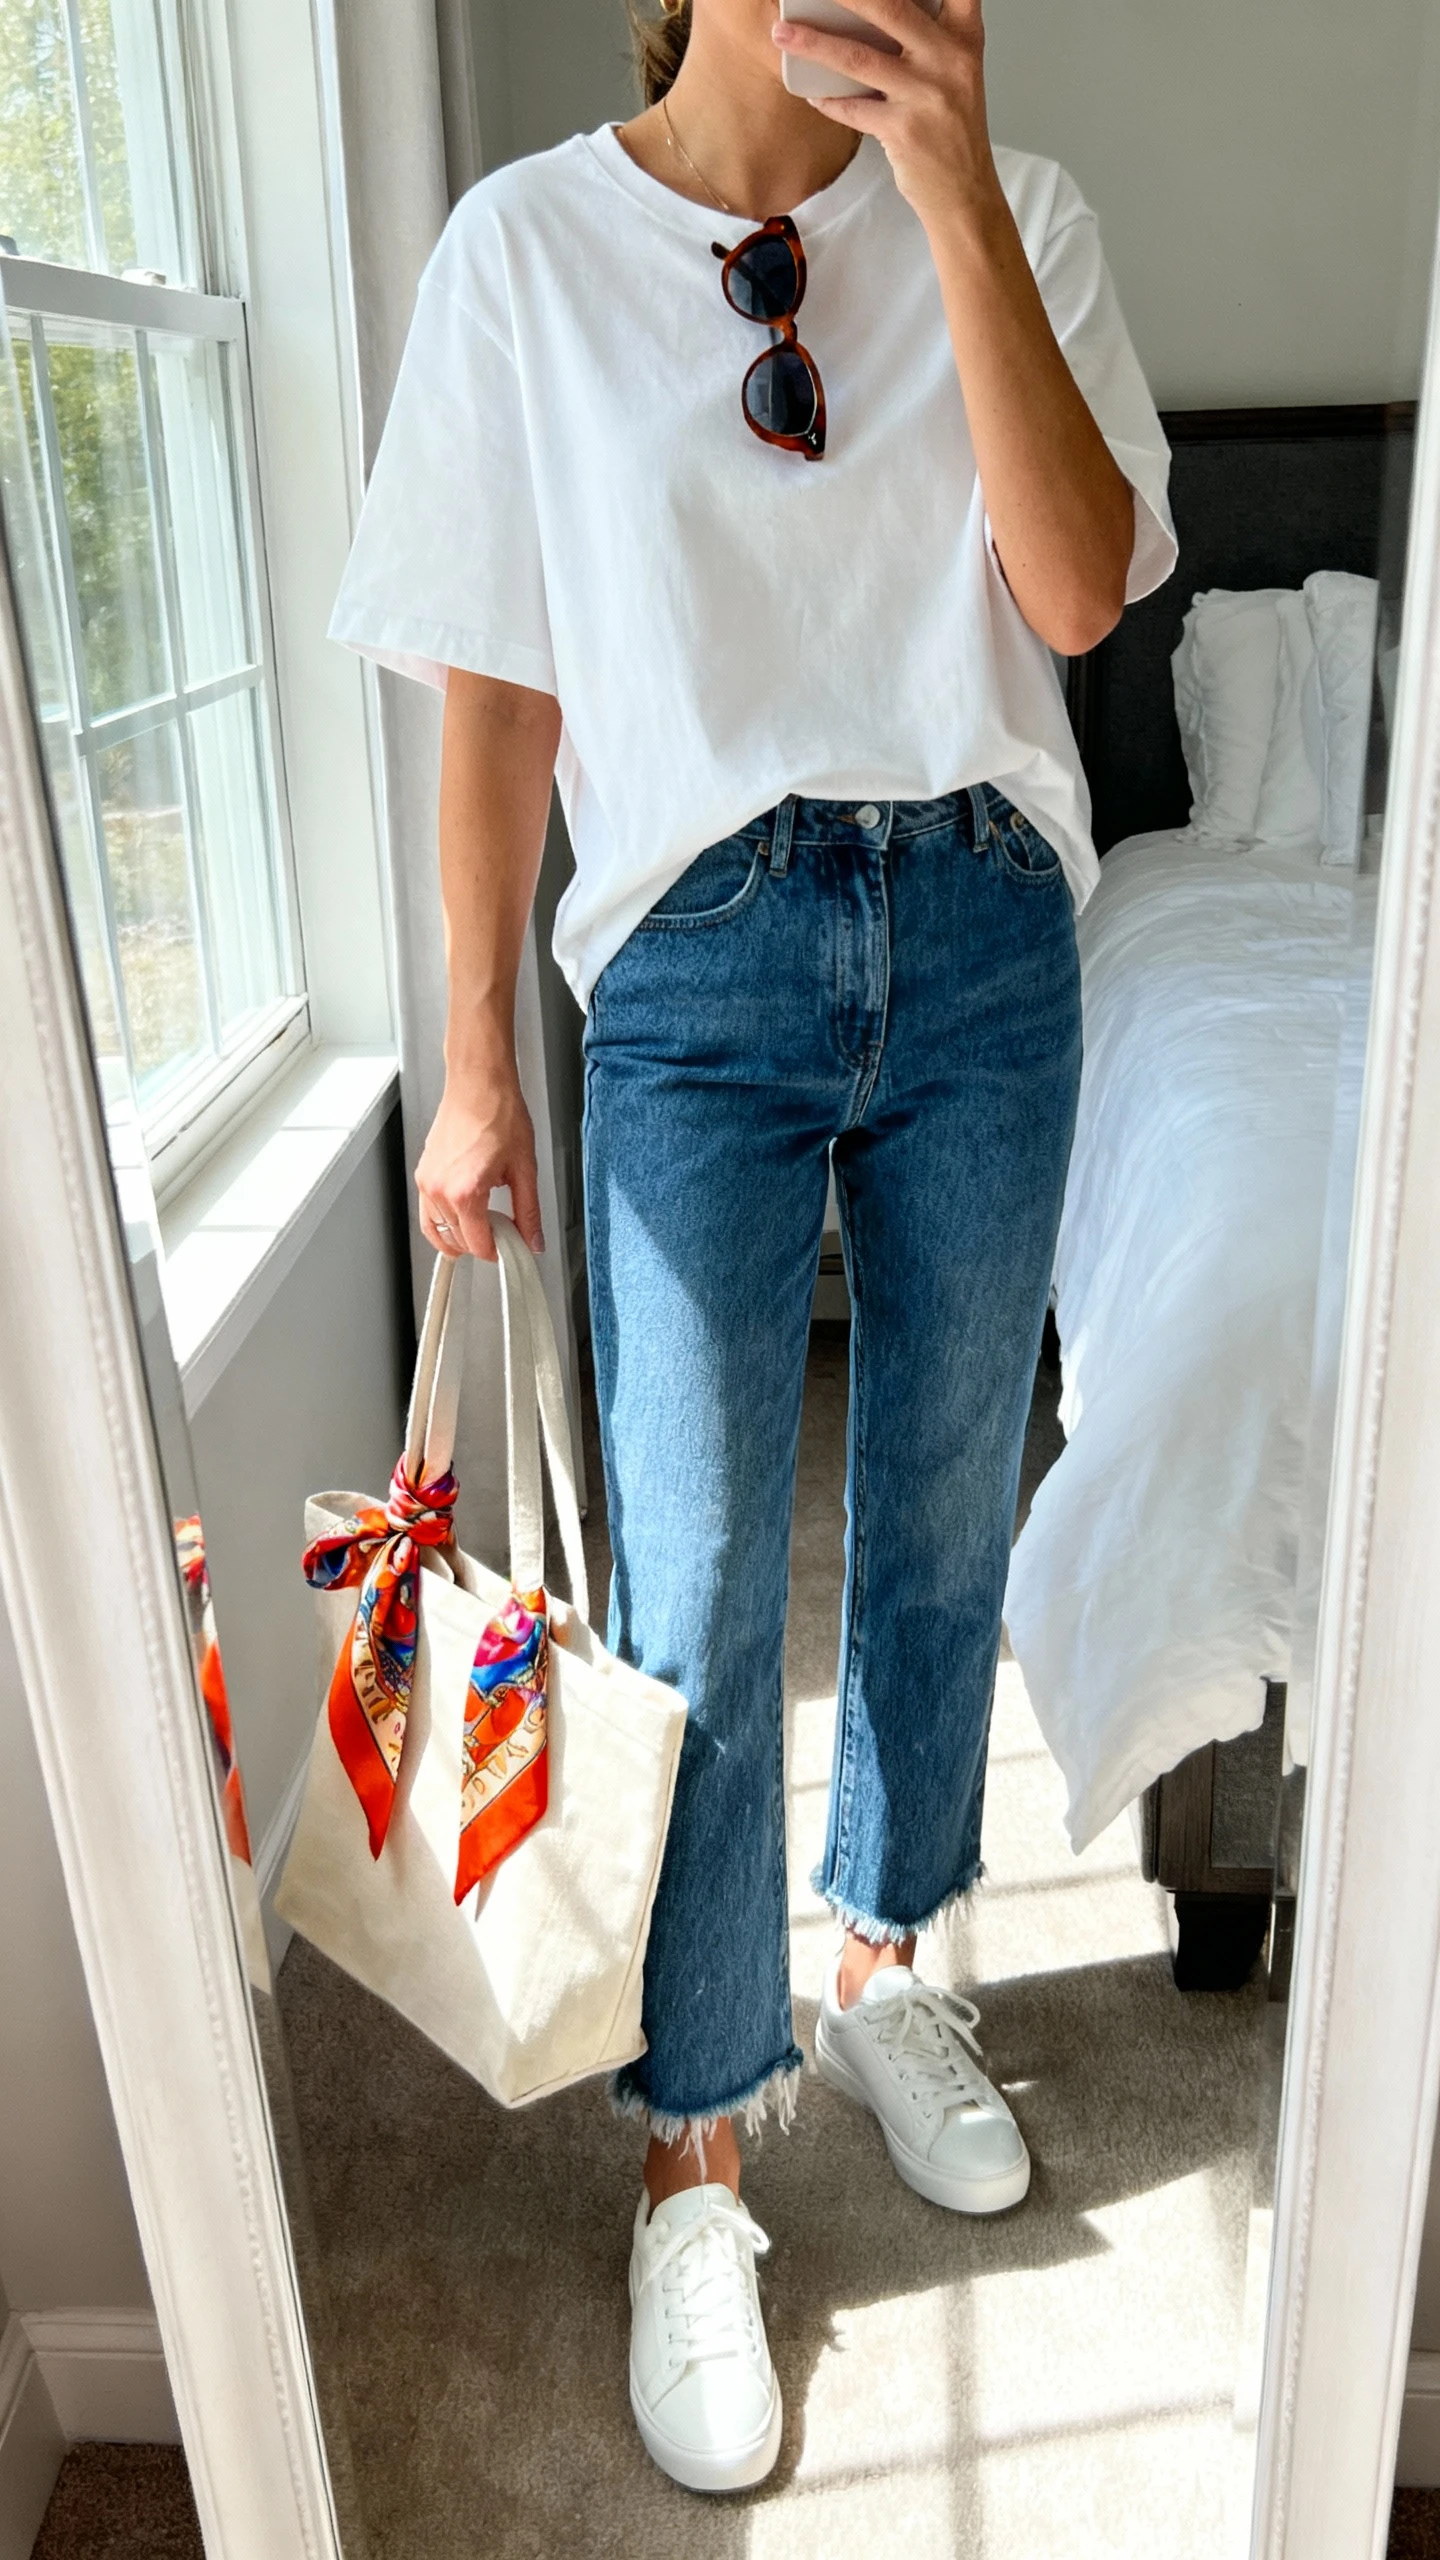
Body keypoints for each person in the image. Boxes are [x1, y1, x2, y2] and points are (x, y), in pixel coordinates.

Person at [330, 0, 1175, 2496]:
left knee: (939, 1514)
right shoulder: (523, 252)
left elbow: (1079, 589)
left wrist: (951, 189)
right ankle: (698, 2142)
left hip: (990, 927)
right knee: (692, 1584)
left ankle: (893, 1953)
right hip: (691, 953)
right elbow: (496, 706)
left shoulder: (1025, 225)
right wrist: (475, 1054)